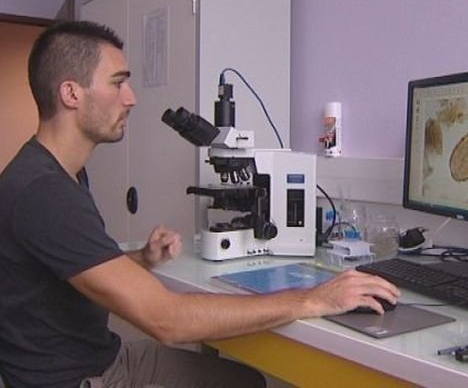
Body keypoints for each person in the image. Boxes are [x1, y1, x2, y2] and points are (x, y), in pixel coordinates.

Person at [0, 20, 400, 388]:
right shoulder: (42, 191)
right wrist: (314, 299)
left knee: (247, 382)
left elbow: (76, 269)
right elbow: (166, 320)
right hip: (78, 379)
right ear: (71, 93)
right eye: (118, 82)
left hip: (99, 355)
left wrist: (141, 259)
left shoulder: (59, 173)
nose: (131, 98)